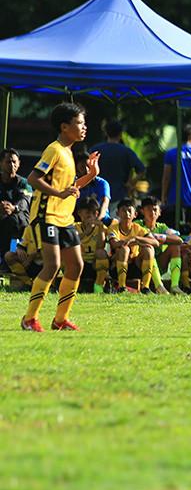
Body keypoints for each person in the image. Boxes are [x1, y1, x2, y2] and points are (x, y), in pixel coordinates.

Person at [21, 102, 100, 332]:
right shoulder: (54, 149)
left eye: (84, 123)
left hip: (64, 218)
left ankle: (60, 320)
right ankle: (29, 318)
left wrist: (91, 176)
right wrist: (59, 193)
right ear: (64, 127)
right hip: (48, 216)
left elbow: (70, 187)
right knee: (53, 264)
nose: (84, 127)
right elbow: (33, 179)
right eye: (79, 123)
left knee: (76, 265)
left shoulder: (69, 152)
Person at [106, 198, 158, 293]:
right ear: (118, 214)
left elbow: (155, 242)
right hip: (116, 267)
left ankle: (145, 287)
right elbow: (115, 243)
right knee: (124, 249)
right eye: (123, 211)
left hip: (135, 266)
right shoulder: (113, 228)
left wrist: (137, 239)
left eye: (130, 211)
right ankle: (122, 287)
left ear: (135, 214)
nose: (127, 213)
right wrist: (133, 242)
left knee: (149, 249)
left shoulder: (137, 228)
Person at [161, 123, 191, 228]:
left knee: (175, 231)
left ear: (177, 137)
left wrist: (163, 195)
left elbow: (166, 177)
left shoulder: (171, 153)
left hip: (176, 198)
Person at [91, 119, 146, 205]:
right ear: (121, 133)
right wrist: (131, 184)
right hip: (119, 196)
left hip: (98, 194)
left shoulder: (96, 149)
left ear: (106, 132)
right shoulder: (126, 151)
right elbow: (142, 170)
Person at [139, 196, 185, 294]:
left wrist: (161, 237)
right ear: (142, 211)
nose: (152, 213)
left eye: (155, 210)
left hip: (159, 263)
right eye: (148, 210)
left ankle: (174, 286)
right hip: (141, 263)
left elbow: (179, 240)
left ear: (160, 212)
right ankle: (159, 287)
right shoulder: (137, 225)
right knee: (149, 248)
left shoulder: (162, 227)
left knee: (175, 247)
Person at [0, 147, 31, 263]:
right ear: (1, 163)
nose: (12, 165)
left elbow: (25, 201)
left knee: (10, 220)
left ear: (19, 164)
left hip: (20, 218)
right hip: (2, 216)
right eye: (8, 162)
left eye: (14, 162)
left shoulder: (24, 182)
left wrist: (14, 208)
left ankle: (5, 260)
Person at [75, 197, 110, 293]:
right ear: (79, 213)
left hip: (95, 264)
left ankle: (98, 286)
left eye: (94, 213)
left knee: (101, 253)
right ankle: (74, 285)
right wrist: (86, 232)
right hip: (79, 264)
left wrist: (101, 228)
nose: (90, 216)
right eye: (87, 213)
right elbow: (72, 242)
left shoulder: (101, 227)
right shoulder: (74, 227)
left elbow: (101, 247)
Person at [5, 225, 44, 291]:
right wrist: (19, 250)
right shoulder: (29, 228)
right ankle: (29, 284)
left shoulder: (52, 226)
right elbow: (21, 246)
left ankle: (53, 285)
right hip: (31, 263)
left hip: (48, 263)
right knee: (9, 255)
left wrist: (33, 256)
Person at [75, 150, 111, 221]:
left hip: (100, 219)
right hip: (78, 221)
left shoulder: (102, 183)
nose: (87, 170)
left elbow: (105, 202)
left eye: (88, 166)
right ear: (76, 171)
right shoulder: (73, 183)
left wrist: (98, 219)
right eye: (82, 167)